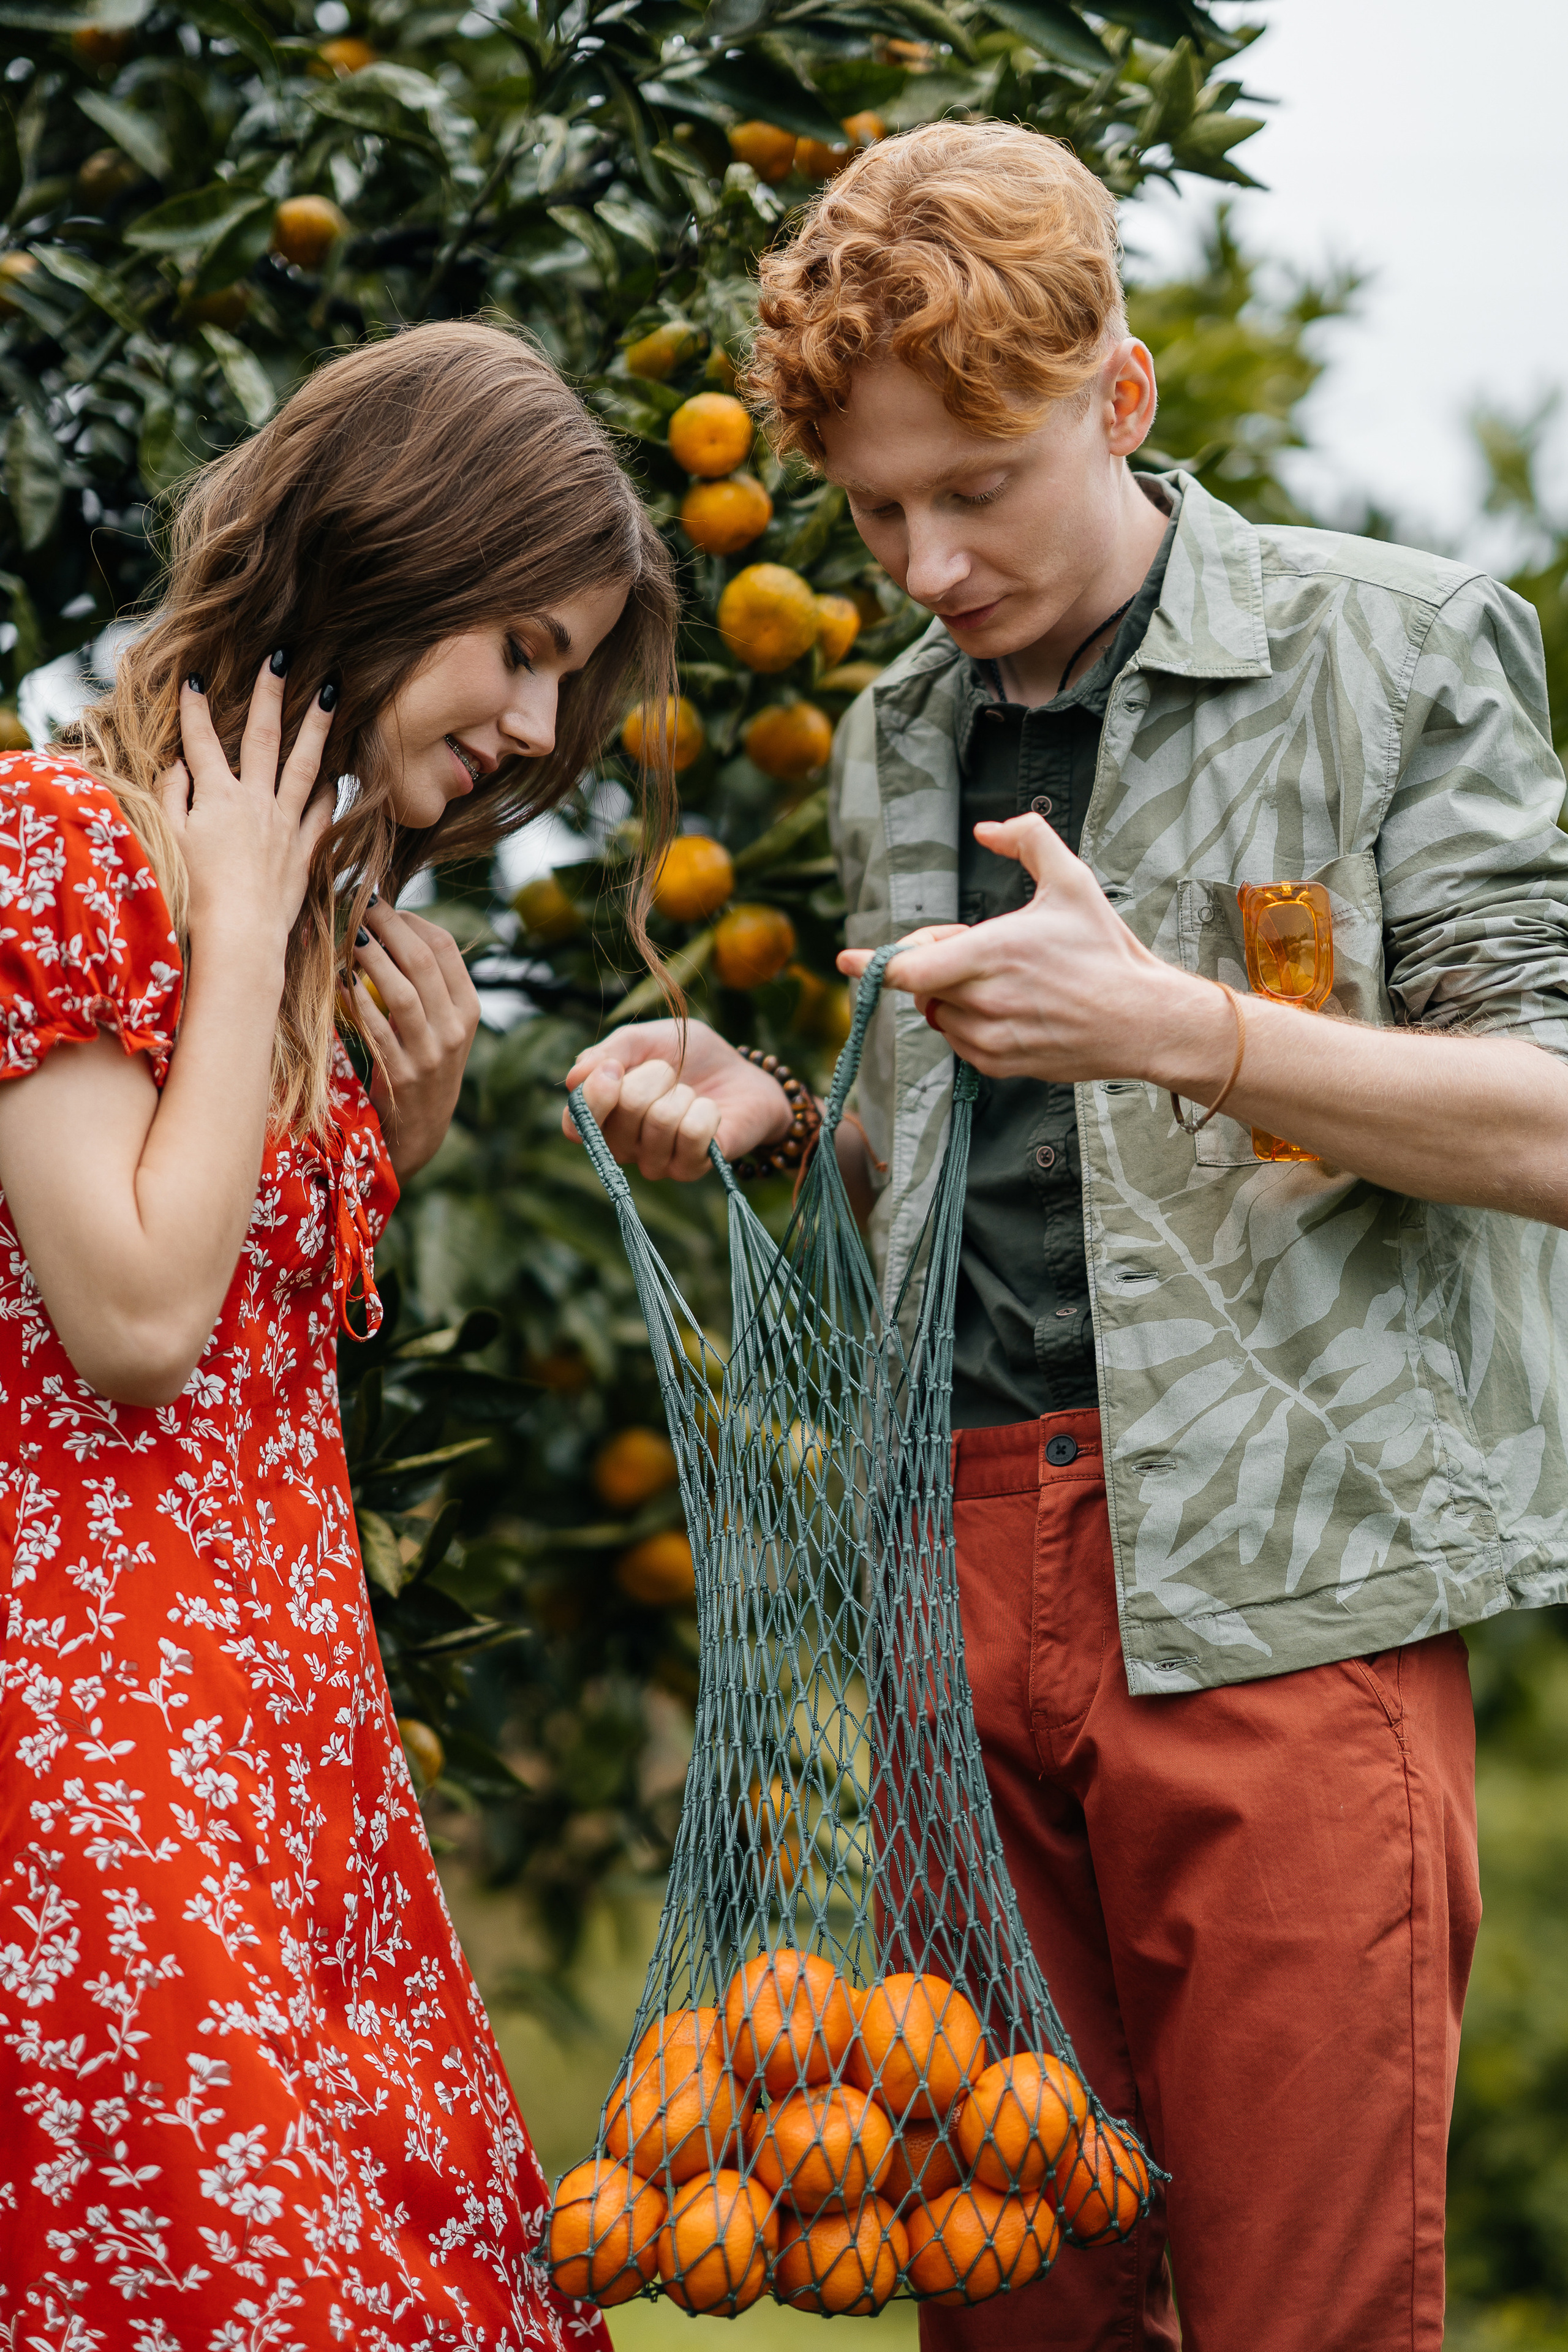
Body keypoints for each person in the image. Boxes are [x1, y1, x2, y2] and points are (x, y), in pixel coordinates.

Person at [563, 121, 1568, 2351]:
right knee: (1008, 2297)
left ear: (1118, 396)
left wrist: (1187, 1028)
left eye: (977, 486)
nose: (923, 562)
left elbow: (1552, 1121)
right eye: (874, 508)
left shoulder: (1390, 654)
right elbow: (930, 1201)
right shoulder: (896, 736)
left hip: (1284, 1591)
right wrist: (769, 1132)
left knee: (1313, 2311)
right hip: (956, 1583)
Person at [0, 319, 677, 2345]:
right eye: (523, 647)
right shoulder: (57, 847)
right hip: (98, 1770)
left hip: (291, 1772)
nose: (538, 725)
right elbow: (130, 1319)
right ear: (394, 554)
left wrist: (400, 1134)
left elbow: (247, 1392)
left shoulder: (294, 944)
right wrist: (226, 936)